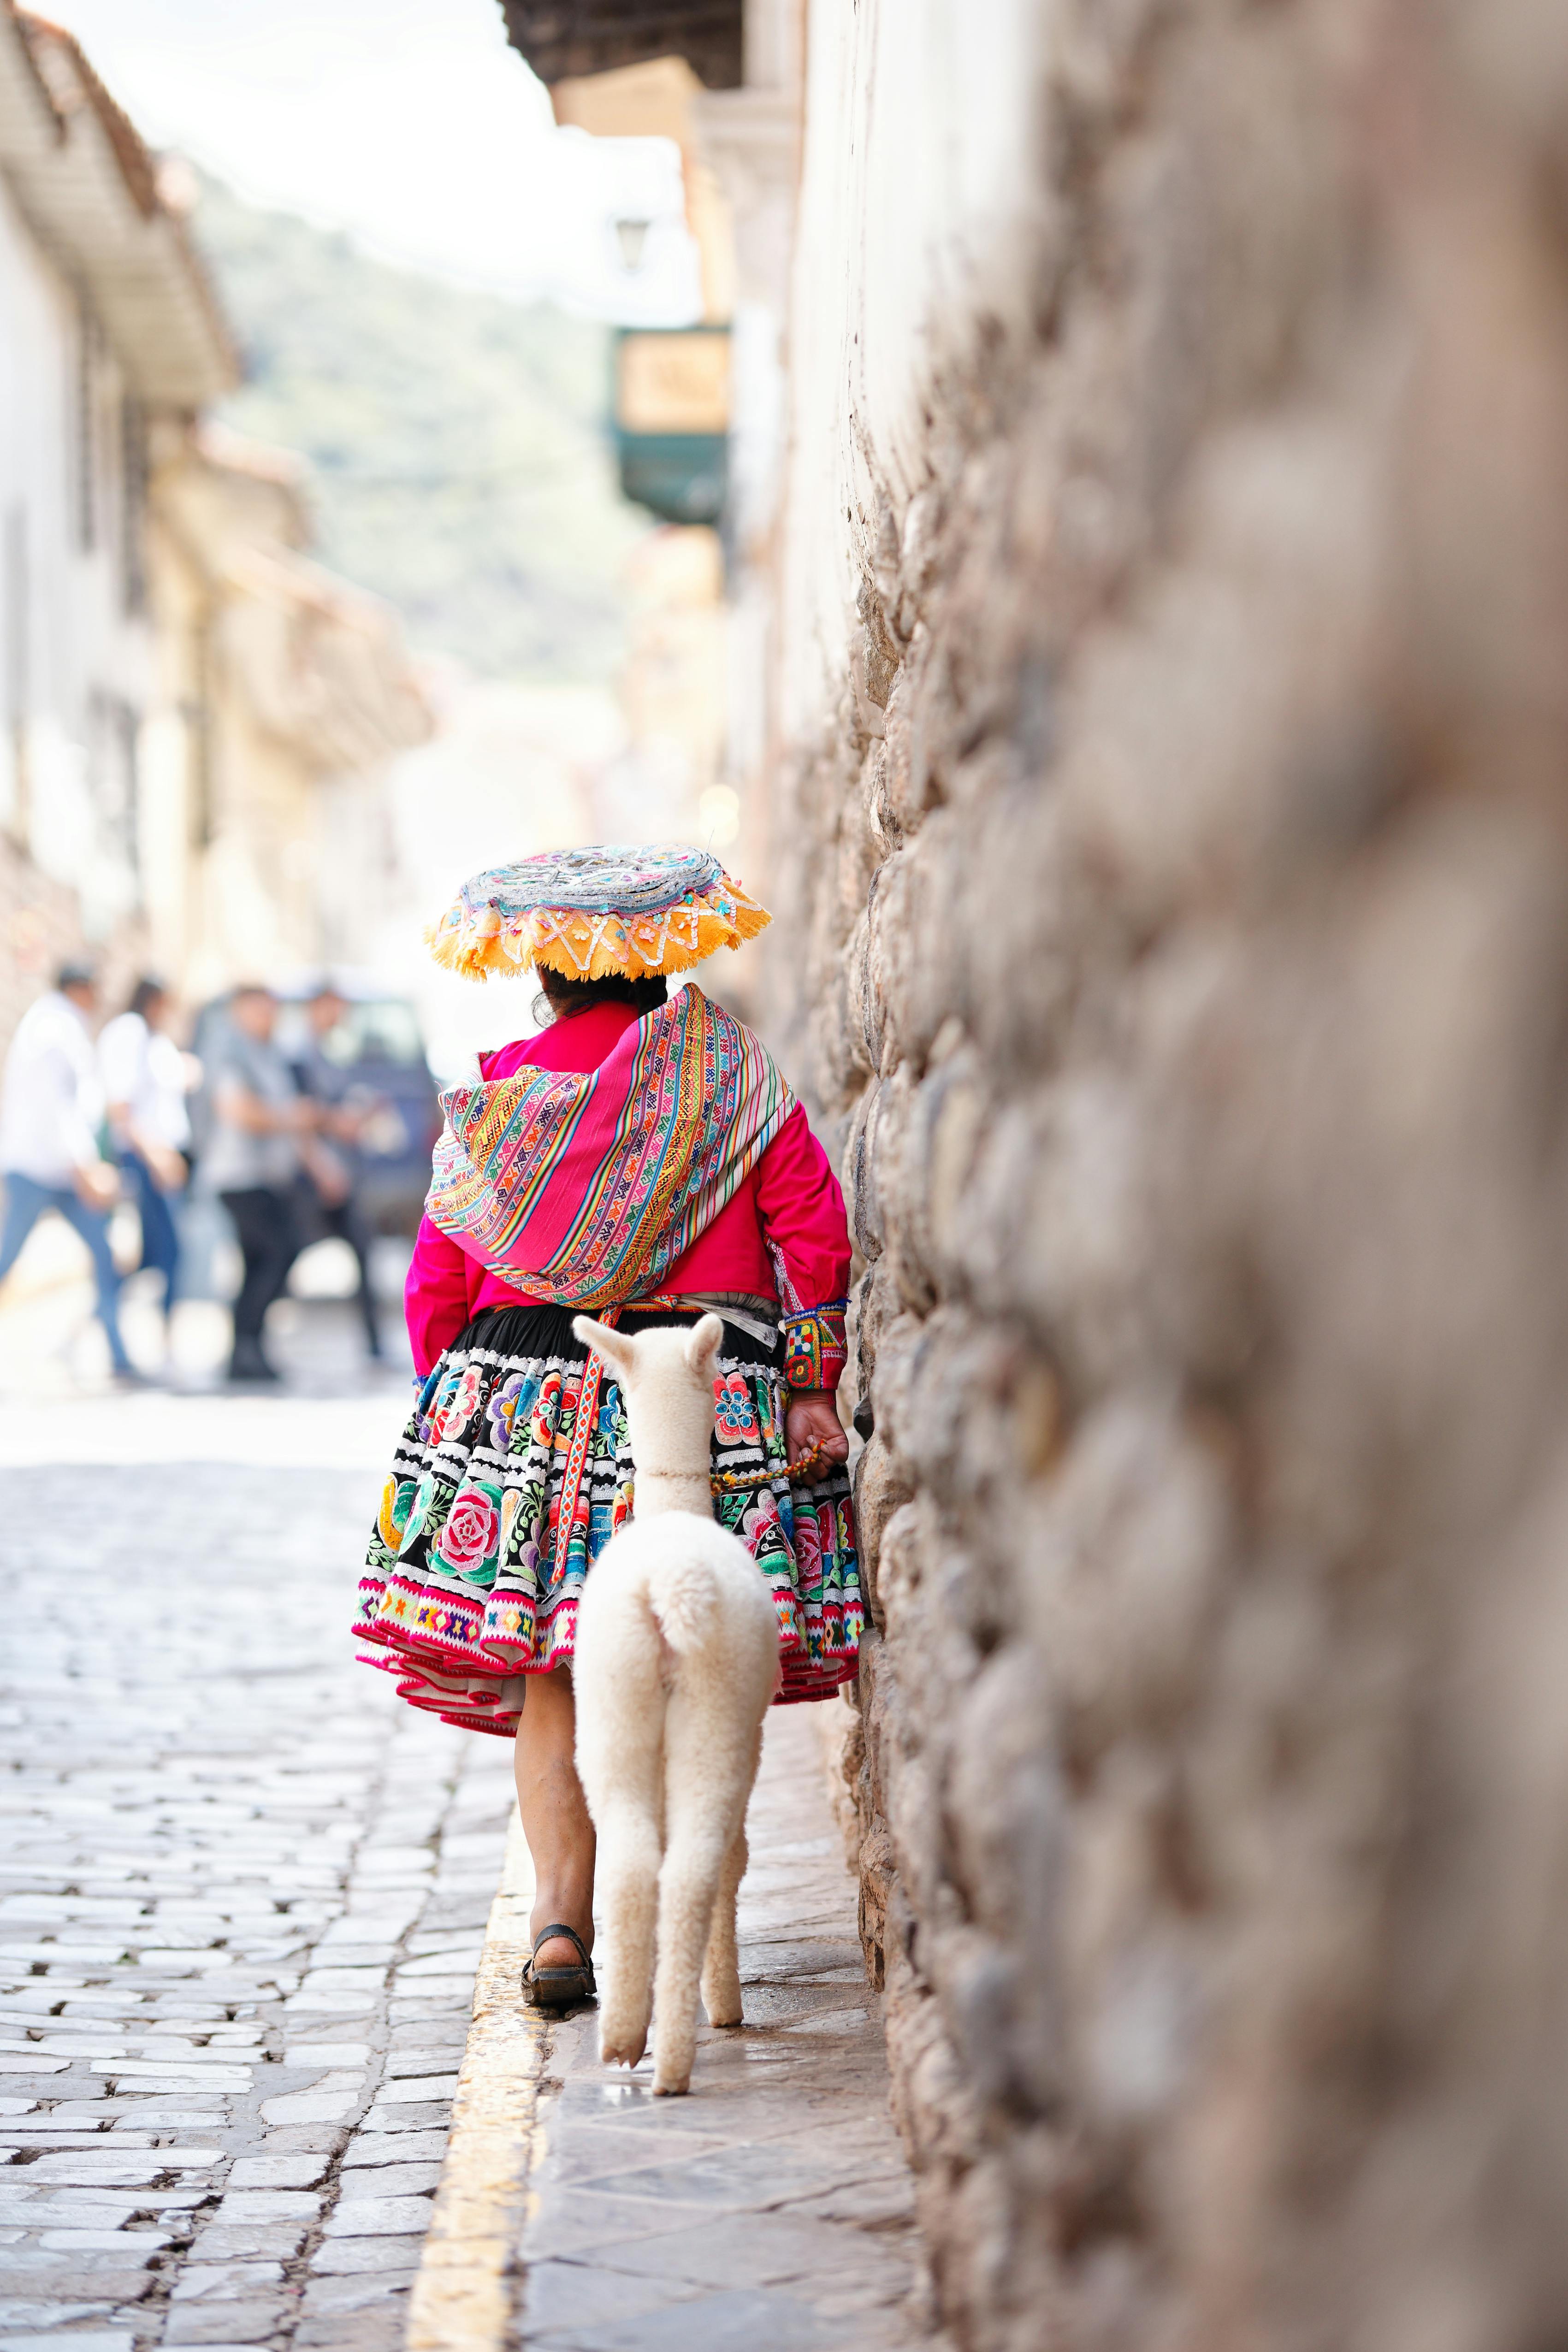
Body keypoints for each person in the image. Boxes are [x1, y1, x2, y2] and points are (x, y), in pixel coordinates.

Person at [355, 845, 861, 2007]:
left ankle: (558, 1927)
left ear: (544, 967)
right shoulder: (727, 1073)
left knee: (553, 1671)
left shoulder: (500, 1097)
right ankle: (684, 1931)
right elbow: (813, 1223)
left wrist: (459, 1401)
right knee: (694, 1660)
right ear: (658, 960)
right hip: (695, 1393)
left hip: (526, 1396)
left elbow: (438, 1276)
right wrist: (808, 1380)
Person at [0, 959, 138, 1382]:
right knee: (7, 1259)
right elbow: (58, 1108)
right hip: (42, 1168)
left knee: (104, 1255)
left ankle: (118, 1353)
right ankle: (117, 1353)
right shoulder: (53, 1028)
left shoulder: (58, 1023)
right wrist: (86, 1168)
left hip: (60, 1170)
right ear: (82, 988)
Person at [199, 984, 315, 1383]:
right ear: (239, 1011)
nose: (269, 1019)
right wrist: (289, 1117)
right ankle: (244, 1348)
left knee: (259, 1262)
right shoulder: (229, 1051)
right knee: (276, 1251)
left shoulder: (270, 1052)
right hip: (237, 1174)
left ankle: (248, 1351)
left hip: (267, 1176)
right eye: (261, 1011)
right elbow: (239, 1110)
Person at [289, 984, 384, 1360]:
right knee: (283, 1254)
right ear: (317, 1006)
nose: (340, 1017)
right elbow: (301, 1118)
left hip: (337, 1173)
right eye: (335, 1008)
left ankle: (374, 1344)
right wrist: (323, 1165)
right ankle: (253, 1343)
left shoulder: (328, 1054)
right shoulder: (297, 1056)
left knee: (363, 1249)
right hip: (312, 1176)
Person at [100, 976, 191, 1340]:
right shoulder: (130, 1033)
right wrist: (156, 1156)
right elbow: (122, 1107)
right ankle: (160, 1334)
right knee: (170, 1251)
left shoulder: (153, 1037)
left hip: (163, 1154)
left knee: (157, 1253)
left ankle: (109, 1310)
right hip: (147, 1157)